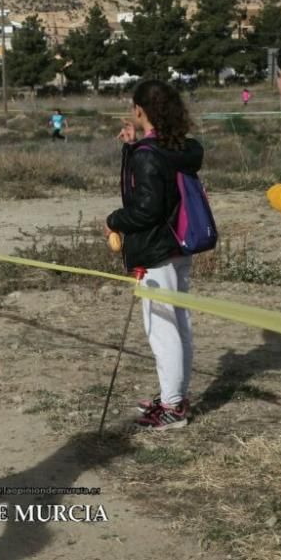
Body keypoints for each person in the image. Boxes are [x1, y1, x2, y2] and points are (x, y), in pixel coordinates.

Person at [106, 79, 202, 431]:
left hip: (156, 249)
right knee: (179, 323)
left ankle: (173, 407)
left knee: (162, 328)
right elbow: (155, 178)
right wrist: (133, 148)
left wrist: (114, 220)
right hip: (179, 244)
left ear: (140, 109)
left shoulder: (150, 154)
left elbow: (145, 208)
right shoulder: (176, 146)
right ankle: (174, 396)